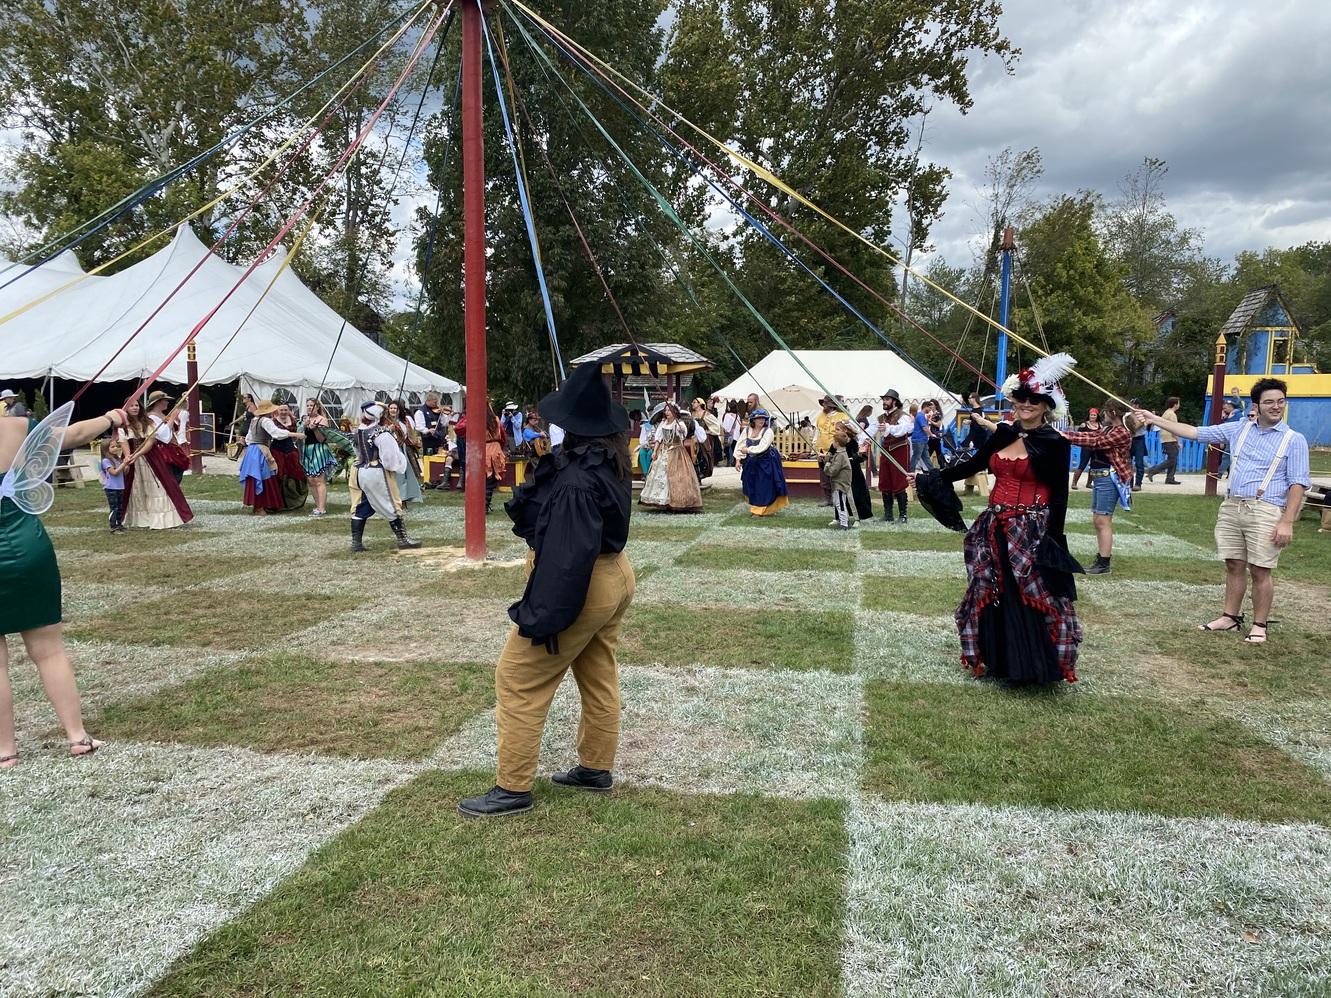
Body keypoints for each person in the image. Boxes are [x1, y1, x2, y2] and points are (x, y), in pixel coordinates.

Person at [459, 362, 635, 817]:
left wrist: (541, 615)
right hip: (614, 574)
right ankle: (594, 768)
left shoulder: (577, 478)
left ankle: (512, 788)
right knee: (598, 671)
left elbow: (565, 559)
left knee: (517, 676)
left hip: (584, 581)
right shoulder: (608, 461)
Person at [916, 353, 1084, 685]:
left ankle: (1030, 667)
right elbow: (970, 465)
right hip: (994, 525)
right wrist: (929, 478)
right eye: (1021, 398)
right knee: (994, 588)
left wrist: (1054, 540)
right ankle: (1000, 660)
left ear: (1046, 405)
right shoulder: (1003, 434)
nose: (1026, 404)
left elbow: (1060, 495)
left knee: (1027, 592)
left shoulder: (1054, 443)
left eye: (1034, 400)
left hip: (1031, 530)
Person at [2, 402, 133, 769]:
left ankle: (5, 751)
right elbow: (73, 434)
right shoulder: (15, 427)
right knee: (49, 651)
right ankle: (77, 736)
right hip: (27, 547)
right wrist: (112, 418)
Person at [1135, 378, 1310, 645]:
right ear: (1257, 406)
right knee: (1233, 564)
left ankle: (1259, 625)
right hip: (1232, 506)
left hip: (1266, 509)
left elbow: (1298, 483)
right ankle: (1230, 618)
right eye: (1270, 402)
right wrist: (1154, 419)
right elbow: (1195, 432)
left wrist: (1287, 521)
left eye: (1280, 402)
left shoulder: (1293, 439)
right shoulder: (1239, 428)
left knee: (1260, 569)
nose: (1276, 407)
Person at [1061, 399, 1136, 575]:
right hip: (1100, 479)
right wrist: (1063, 434)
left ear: (1113, 412)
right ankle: (1102, 559)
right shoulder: (1109, 429)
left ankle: (1104, 563)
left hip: (1109, 479)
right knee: (1098, 520)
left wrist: (1066, 436)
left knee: (1103, 521)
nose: (1103, 413)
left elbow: (1096, 443)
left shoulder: (1122, 432)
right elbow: (1092, 436)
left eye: (1106, 410)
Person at [348, 402, 422, 551]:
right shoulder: (381, 434)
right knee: (392, 503)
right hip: (376, 472)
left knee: (361, 504)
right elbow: (390, 457)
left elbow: (356, 451)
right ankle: (403, 540)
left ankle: (356, 543)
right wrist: (399, 467)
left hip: (359, 471)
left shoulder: (358, 431)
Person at [122, 394, 194, 529]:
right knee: (134, 488)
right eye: (131, 405)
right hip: (132, 458)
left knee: (159, 486)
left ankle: (160, 519)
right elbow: (124, 442)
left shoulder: (147, 422)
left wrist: (138, 454)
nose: (135, 407)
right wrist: (128, 456)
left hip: (150, 456)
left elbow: (150, 442)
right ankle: (139, 518)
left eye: (136, 405)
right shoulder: (124, 425)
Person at [638, 402, 702, 513]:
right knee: (660, 475)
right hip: (664, 451)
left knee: (676, 477)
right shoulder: (663, 424)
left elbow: (683, 432)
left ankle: (677, 501)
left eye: (669, 410)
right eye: (666, 410)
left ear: (674, 412)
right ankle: (662, 501)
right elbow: (659, 438)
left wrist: (681, 429)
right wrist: (655, 451)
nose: (667, 412)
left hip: (676, 452)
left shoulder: (679, 423)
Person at [734, 407, 789, 516]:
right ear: (753, 420)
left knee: (763, 485)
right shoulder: (747, 430)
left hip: (766, 461)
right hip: (751, 462)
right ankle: (758, 507)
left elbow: (762, 447)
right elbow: (740, 445)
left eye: (763, 418)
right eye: (759, 418)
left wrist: (748, 450)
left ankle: (759, 510)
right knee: (751, 483)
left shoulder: (768, 431)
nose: (761, 420)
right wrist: (738, 459)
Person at [877, 390, 913, 523]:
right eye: (884, 399)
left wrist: (889, 427)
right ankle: (888, 514)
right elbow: (871, 430)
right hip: (886, 450)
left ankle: (903, 516)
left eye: (887, 399)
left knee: (899, 482)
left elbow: (903, 430)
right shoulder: (881, 417)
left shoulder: (903, 416)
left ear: (894, 401)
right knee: (885, 482)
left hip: (900, 449)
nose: (884, 402)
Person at [300, 398, 339, 517]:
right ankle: (317, 506)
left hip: (318, 449)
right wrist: (303, 426)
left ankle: (322, 508)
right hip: (306, 450)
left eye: (312, 405)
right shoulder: (304, 419)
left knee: (319, 480)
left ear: (317, 407)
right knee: (311, 481)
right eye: (307, 405)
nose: (309, 407)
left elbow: (322, 438)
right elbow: (299, 436)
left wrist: (315, 429)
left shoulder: (322, 420)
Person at [267, 401, 309, 511]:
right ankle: (276, 503)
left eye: (286, 410)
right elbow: (275, 435)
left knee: (297, 474)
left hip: (290, 451)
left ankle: (293, 501)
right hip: (277, 451)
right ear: (277, 411)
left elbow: (300, 432)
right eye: (281, 410)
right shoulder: (272, 422)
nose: (284, 412)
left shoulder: (294, 420)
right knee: (278, 475)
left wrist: (304, 425)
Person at [387, 400, 424, 505]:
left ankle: (406, 497)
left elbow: (411, 435)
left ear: (400, 410)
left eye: (395, 408)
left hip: (405, 450)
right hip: (392, 451)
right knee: (397, 475)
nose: (393, 410)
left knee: (407, 474)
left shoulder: (405, 421)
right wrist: (389, 429)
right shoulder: (386, 421)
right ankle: (398, 499)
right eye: (391, 408)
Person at [813, 396, 843, 506]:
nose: (824, 405)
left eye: (826, 403)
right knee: (824, 474)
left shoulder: (842, 416)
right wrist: (815, 446)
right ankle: (828, 498)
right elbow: (817, 432)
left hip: (835, 450)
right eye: (824, 403)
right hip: (821, 450)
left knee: (835, 474)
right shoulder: (820, 416)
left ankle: (838, 497)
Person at [1146, 396, 1182, 484]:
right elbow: (1174, 429)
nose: (1179, 405)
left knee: (1172, 458)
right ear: (1175, 404)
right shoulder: (1172, 414)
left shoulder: (1166, 413)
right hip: (1170, 438)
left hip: (1164, 438)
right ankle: (1152, 470)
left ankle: (1170, 478)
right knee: (1172, 459)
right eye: (1178, 403)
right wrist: (1178, 441)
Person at [825, 426, 854, 529]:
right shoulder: (840, 453)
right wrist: (827, 457)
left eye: (833, 441)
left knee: (840, 503)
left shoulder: (841, 455)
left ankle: (844, 523)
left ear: (837, 443)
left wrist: (827, 465)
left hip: (841, 483)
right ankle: (843, 521)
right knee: (838, 502)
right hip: (839, 483)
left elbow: (834, 470)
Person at [97, 439, 128, 534]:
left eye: (116, 446)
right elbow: (114, 472)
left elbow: (124, 472)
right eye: (113, 447)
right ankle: (113, 526)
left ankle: (119, 524)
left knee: (120, 507)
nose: (116, 448)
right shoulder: (106, 461)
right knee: (114, 507)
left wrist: (126, 465)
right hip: (111, 488)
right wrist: (123, 464)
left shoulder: (117, 460)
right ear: (106, 449)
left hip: (119, 487)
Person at [1068, 407, 1102, 490]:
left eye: (1094, 415)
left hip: (1096, 448)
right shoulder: (1084, 425)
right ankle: (1074, 483)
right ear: (1089, 415)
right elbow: (1078, 435)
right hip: (1086, 448)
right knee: (1082, 465)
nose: (1093, 416)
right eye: (1091, 415)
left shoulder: (1100, 425)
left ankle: (1089, 483)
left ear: (1097, 416)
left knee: (1093, 466)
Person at [485, 409, 508, 514]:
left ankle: (483, 506)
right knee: (490, 480)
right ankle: (484, 506)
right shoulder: (496, 419)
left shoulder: (475, 418)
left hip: (482, 448)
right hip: (495, 448)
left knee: (484, 478)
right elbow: (503, 435)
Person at [1128, 398, 1148, 491]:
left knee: (1139, 463)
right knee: (1128, 462)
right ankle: (1129, 483)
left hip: (1139, 439)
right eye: (1132, 404)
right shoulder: (1127, 415)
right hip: (1129, 439)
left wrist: (1129, 429)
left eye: (1136, 404)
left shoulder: (1141, 415)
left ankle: (1138, 484)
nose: (1134, 406)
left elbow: (1137, 426)